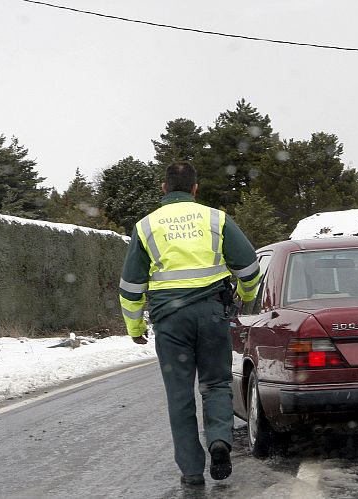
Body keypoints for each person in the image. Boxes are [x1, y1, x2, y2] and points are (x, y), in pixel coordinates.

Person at [118, 162, 261, 488]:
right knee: (215, 385)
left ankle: (192, 471)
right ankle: (220, 441)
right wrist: (244, 296)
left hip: (170, 322)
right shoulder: (216, 219)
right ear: (195, 189)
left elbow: (130, 288)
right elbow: (250, 268)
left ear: (163, 188)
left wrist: (135, 328)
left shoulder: (146, 227)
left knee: (180, 396)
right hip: (212, 316)